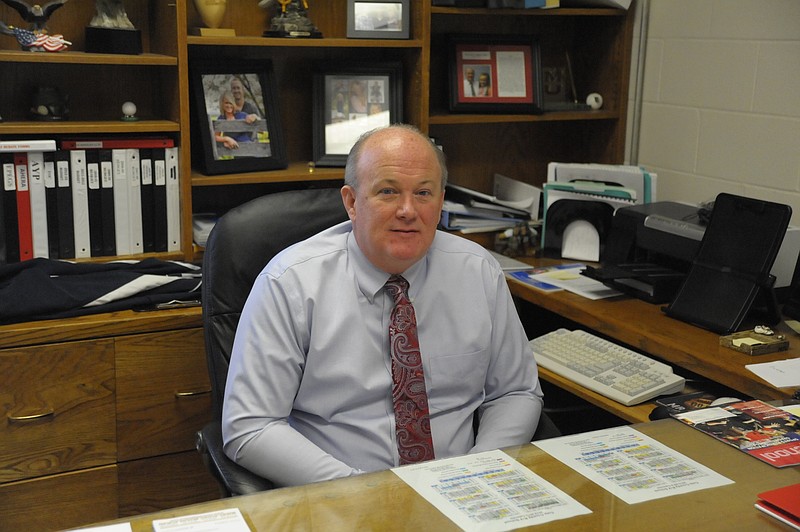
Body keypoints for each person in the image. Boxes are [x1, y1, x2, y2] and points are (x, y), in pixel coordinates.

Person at [222, 124, 544, 487]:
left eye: (423, 192)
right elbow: (250, 426)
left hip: (463, 494)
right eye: (388, 191)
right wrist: (362, 492)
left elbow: (515, 392)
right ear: (351, 202)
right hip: (340, 498)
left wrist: (477, 473)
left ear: (441, 201)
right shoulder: (290, 283)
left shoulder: (478, 272)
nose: (408, 210)